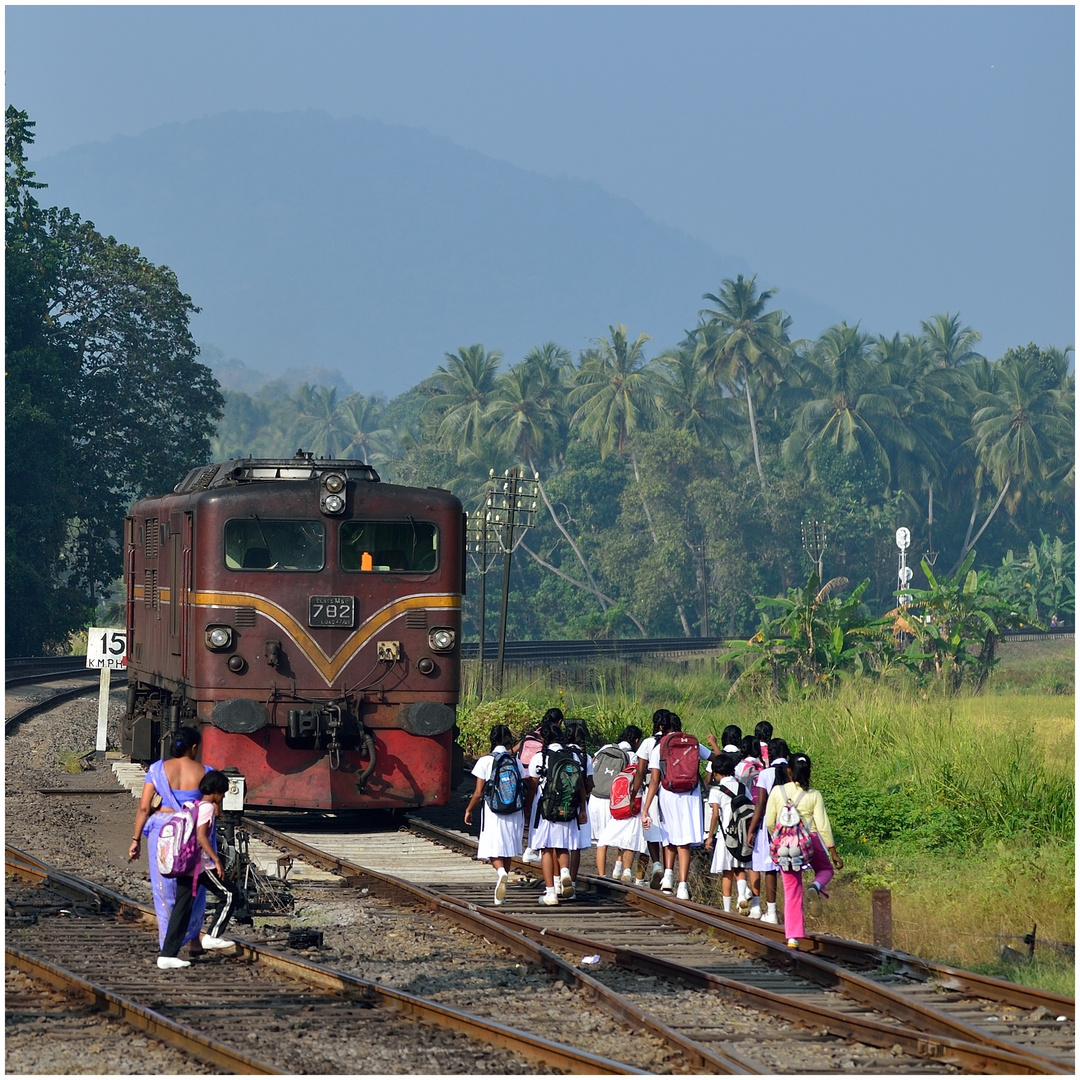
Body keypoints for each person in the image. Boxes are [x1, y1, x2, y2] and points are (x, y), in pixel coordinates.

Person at [129, 726, 211, 958]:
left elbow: (144, 807)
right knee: (194, 886)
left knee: (164, 888)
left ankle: (168, 942)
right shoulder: (206, 771)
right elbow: (212, 809)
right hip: (192, 832)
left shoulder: (156, 769)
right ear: (194, 747)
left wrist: (135, 839)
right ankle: (194, 941)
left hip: (163, 831)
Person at [157, 770, 237, 969]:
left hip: (186, 866)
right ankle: (213, 935)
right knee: (231, 894)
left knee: (181, 910)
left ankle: (167, 955)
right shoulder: (207, 807)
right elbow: (202, 836)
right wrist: (216, 859)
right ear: (216, 791)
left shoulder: (194, 805)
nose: (224, 797)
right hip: (201, 866)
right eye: (223, 793)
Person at [764, 753, 843, 949]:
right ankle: (815, 886)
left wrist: (781, 836)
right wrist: (833, 852)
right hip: (810, 841)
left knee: (792, 890)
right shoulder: (814, 795)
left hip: (786, 847)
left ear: (789, 771)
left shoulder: (777, 791)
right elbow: (823, 825)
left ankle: (793, 938)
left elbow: (769, 822)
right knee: (826, 870)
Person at [640, 713, 712, 900]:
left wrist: (646, 808)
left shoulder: (660, 747)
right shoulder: (693, 743)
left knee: (669, 836)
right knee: (684, 841)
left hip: (668, 794)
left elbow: (654, 781)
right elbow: (716, 759)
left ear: (663, 727)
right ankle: (682, 886)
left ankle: (668, 878)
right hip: (690, 795)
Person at [464, 725, 526, 906]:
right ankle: (502, 896)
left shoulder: (485, 761)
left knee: (493, 847)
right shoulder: (516, 762)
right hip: (514, 811)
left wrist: (469, 809)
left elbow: (478, 792)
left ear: (492, 739)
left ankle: (501, 873)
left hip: (493, 810)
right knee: (507, 847)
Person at [527, 719, 587, 905]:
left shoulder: (540, 757)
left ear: (544, 738)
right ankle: (565, 872)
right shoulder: (574, 756)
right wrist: (582, 809)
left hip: (545, 808)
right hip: (569, 806)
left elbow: (532, 787)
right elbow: (581, 785)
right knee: (562, 846)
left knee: (546, 849)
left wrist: (529, 809)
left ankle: (551, 893)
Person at [744, 737, 790, 923]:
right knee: (789, 868)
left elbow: (760, 803)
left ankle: (771, 912)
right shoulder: (792, 770)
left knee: (770, 868)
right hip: (793, 826)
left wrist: (751, 829)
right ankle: (793, 910)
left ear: (769, 754)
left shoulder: (765, 774)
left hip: (771, 826)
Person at [593, 725, 643, 882]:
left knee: (602, 841)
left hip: (595, 797)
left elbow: (593, 763)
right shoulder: (632, 756)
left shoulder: (606, 747)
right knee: (623, 835)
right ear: (635, 740)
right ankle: (619, 868)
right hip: (615, 802)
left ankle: (602, 876)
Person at [704, 753, 751, 912]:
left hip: (726, 835)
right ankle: (743, 896)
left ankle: (727, 910)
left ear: (716, 773)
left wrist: (710, 836)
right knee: (740, 868)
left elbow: (715, 814)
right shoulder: (743, 787)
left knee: (727, 871)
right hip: (742, 834)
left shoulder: (716, 790)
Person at [518, 707, 563, 865]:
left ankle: (531, 848)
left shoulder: (531, 733)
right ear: (560, 722)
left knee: (536, 820)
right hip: (547, 787)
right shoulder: (557, 743)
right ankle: (533, 851)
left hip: (526, 776)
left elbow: (516, 750)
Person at [633, 710, 672, 888]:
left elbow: (640, 771)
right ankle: (669, 872)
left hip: (652, 790)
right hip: (672, 791)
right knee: (668, 834)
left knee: (651, 829)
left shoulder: (648, 743)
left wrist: (633, 794)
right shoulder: (674, 741)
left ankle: (656, 864)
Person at [562, 719, 594, 893]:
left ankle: (559, 877)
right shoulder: (585, 757)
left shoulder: (561, 753)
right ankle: (572, 883)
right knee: (575, 846)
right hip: (579, 803)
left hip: (561, 801)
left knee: (558, 843)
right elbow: (589, 784)